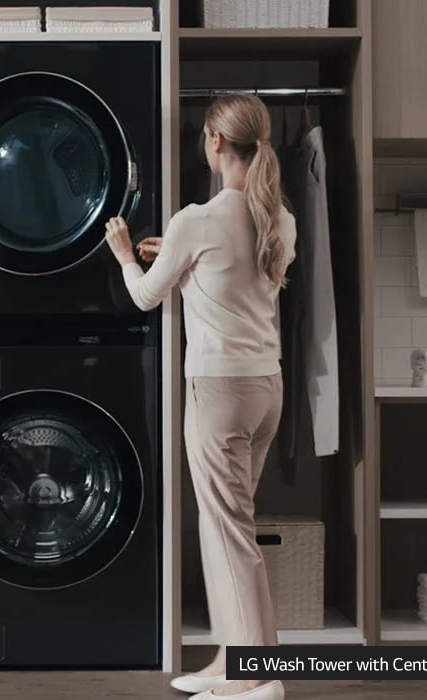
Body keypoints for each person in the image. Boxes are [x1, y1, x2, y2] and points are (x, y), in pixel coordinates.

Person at [105, 93, 294, 700]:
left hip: (219, 392)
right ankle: (230, 659)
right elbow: (229, 276)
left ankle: (259, 677)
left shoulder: (197, 219)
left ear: (215, 142)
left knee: (228, 531)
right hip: (267, 389)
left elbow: (144, 298)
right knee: (230, 528)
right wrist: (179, 255)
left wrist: (123, 253)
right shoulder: (279, 219)